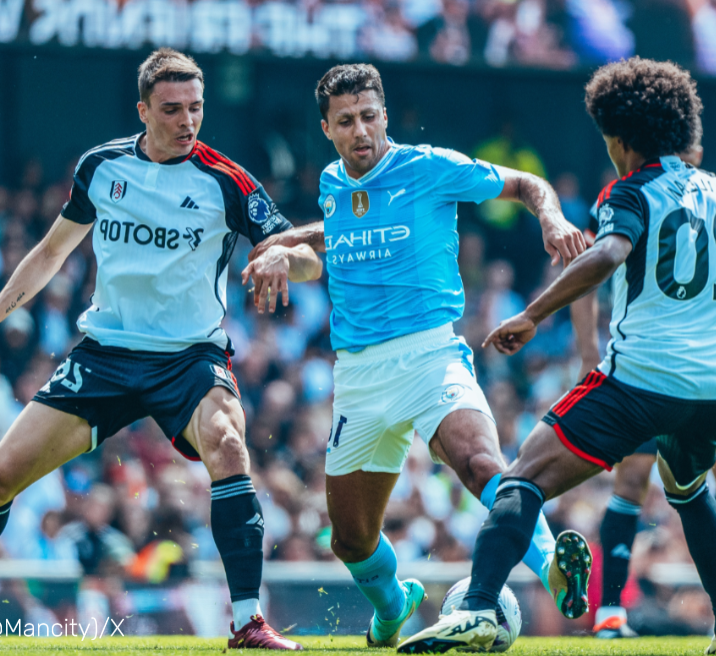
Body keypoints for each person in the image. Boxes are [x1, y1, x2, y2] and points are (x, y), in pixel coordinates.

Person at [0, 48, 319, 650]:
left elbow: (303, 256)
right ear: (142, 109)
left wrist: (280, 254)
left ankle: (248, 621)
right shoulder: (102, 167)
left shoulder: (228, 180)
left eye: (195, 107)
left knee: (229, 445)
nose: (186, 121)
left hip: (189, 359)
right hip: (106, 355)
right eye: (171, 110)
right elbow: (49, 254)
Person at [398, 57, 716, 655]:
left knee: (521, 480)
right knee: (691, 491)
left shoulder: (629, 191)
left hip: (640, 382)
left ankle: (478, 608)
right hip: (710, 397)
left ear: (620, 138)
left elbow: (605, 255)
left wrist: (531, 314)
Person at [247, 63, 589, 649]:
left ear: (385, 116)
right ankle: (393, 605)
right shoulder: (334, 183)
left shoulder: (429, 167)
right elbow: (333, 228)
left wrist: (551, 217)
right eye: (346, 121)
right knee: (351, 540)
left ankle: (555, 567)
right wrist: (280, 247)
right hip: (358, 376)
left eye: (370, 117)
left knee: (481, 462)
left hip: (432, 355)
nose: (361, 132)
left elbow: (527, 184)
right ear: (327, 128)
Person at [574, 143, 716, 640]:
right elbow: (586, 269)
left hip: (711, 368)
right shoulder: (626, 194)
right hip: (649, 365)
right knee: (633, 476)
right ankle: (610, 611)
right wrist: (588, 357)